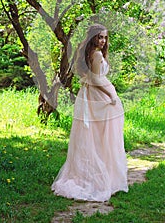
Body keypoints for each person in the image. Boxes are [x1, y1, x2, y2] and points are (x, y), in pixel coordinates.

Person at [51, 24, 128, 202]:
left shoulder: (89, 52)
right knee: (101, 136)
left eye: (105, 37)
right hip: (98, 96)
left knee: (96, 136)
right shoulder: (96, 54)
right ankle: (96, 176)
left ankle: (102, 173)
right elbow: (95, 78)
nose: (103, 41)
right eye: (100, 37)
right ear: (93, 37)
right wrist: (111, 95)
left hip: (92, 94)